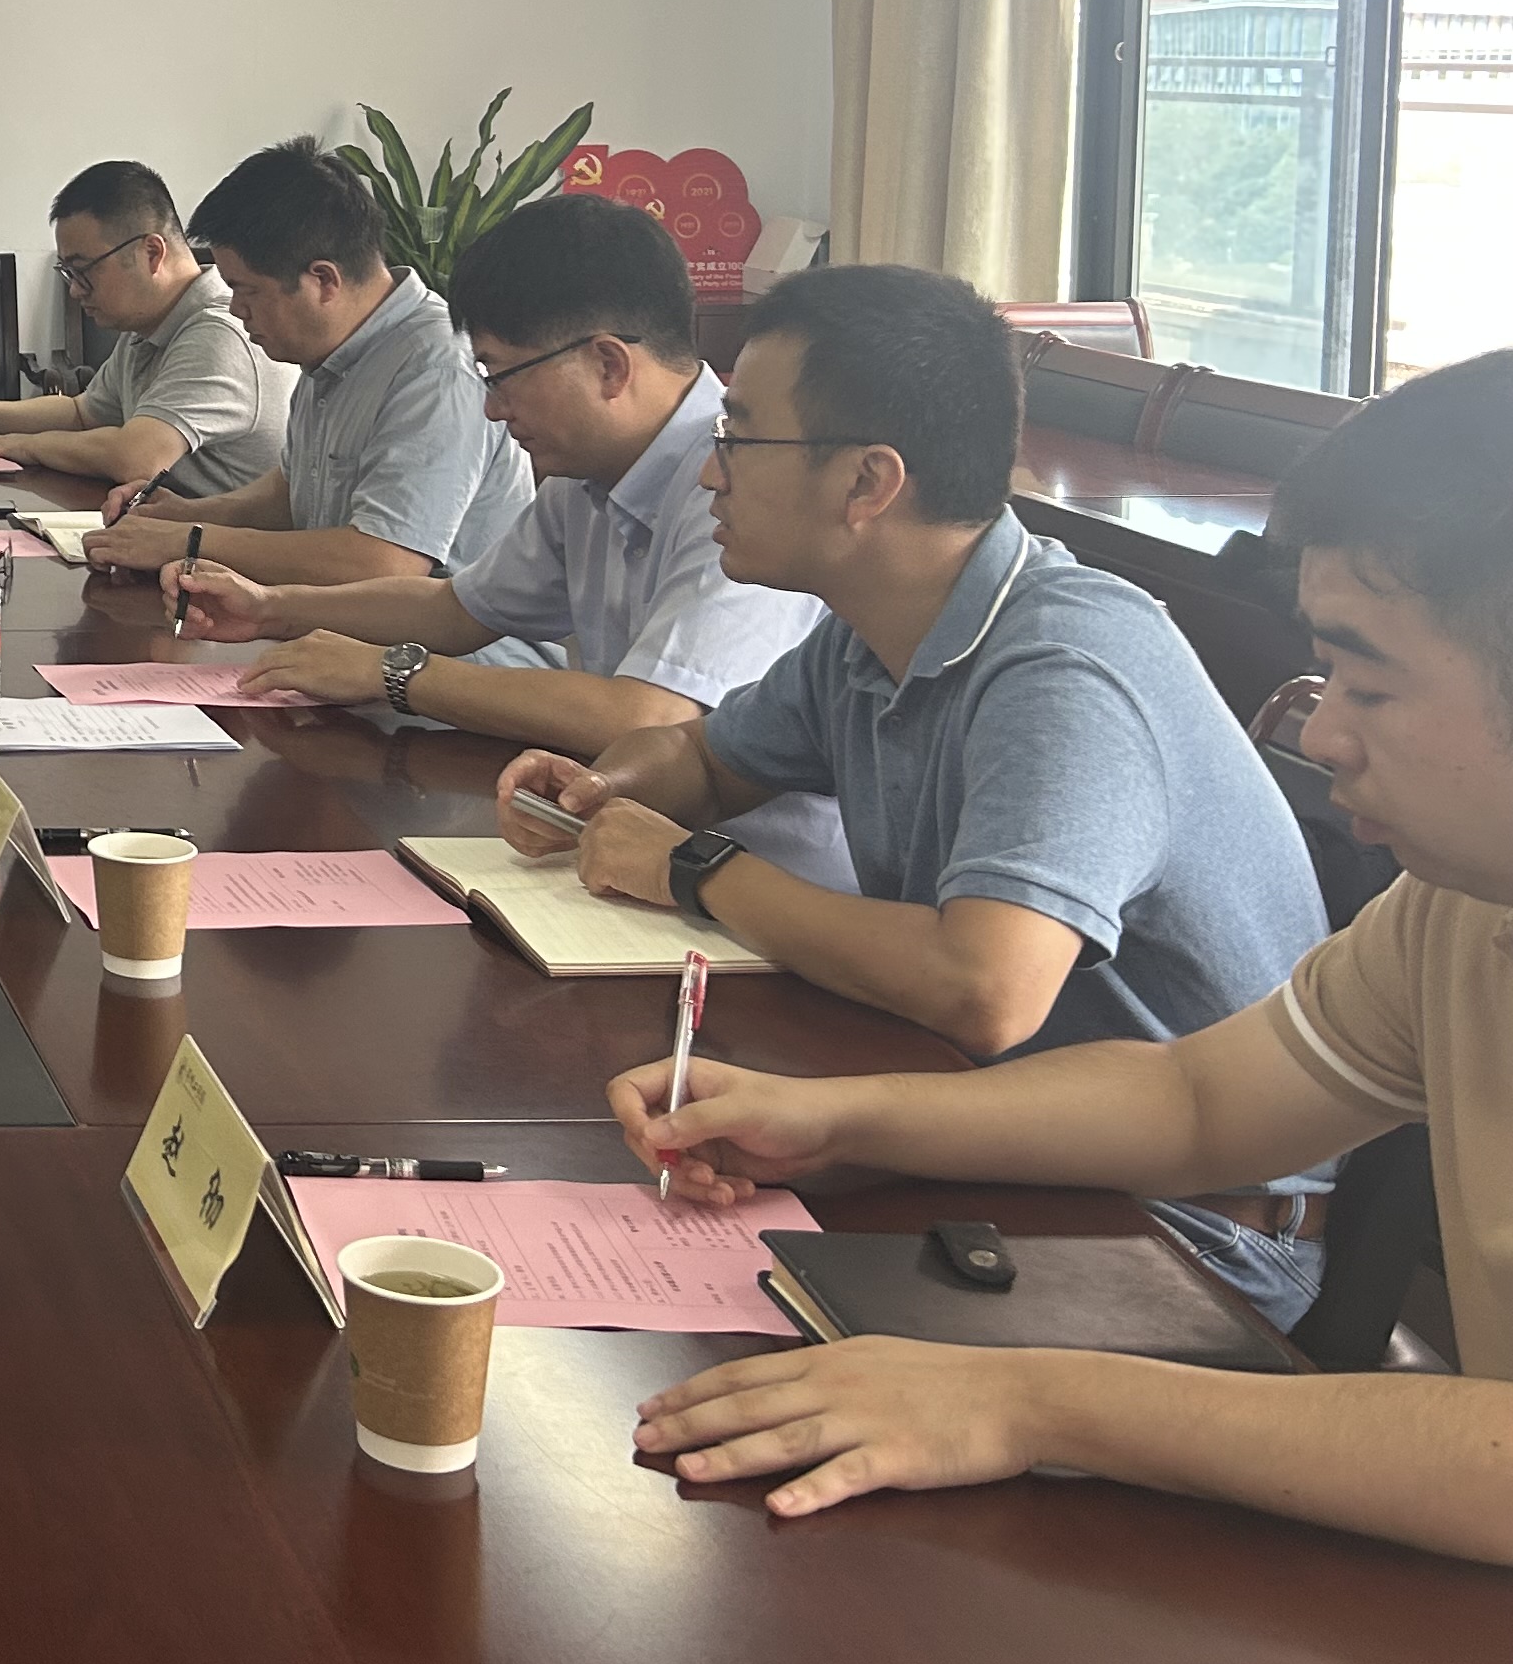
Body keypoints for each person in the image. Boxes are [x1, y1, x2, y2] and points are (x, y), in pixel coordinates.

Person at [620, 349, 1513, 1560]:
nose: (1325, 735)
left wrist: (1030, 1399)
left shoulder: (1071, 652)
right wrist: (834, 1120)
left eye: (1370, 683)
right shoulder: (1454, 906)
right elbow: (1196, 1099)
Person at [495, 263, 1331, 1317]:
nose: (709, 474)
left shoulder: (1062, 666)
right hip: (992, 1144)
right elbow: (706, 759)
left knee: (665, 1328)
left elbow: (984, 989)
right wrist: (600, 788)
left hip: (1187, 1229)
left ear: (867, 484)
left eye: (738, 439)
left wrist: (695, 867)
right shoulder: (869, 632)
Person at [164, 195, 845, 884]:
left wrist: (395, 673)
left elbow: (651, 716)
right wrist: (272, 608)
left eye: (501, 376)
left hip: (770, 887)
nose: (491, 408)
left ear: (608, 366)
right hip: (639, 847)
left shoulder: (738, 490)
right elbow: (460, 608)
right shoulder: (586, 476)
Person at [85, 140, 532, 588]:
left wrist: (191, 541)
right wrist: (185, 515)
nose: (237, 309)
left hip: (430, 633)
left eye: (248, 290)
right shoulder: (333, 352)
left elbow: (383, 563)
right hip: (332, 621)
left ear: (323, 279)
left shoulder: (435, 368)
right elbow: (293, 493)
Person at [0, 159, 286, 496]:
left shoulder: (219, 333)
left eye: (84, 270)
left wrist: (26, 446)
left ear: (151, 253)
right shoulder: (147, 326)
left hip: (226, 553)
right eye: (67, 272)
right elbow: (82, 412)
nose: (75, 290)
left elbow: (137, 458)